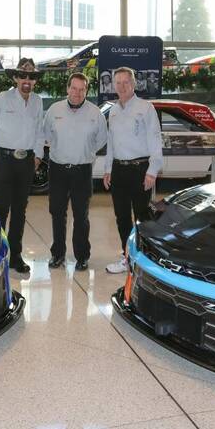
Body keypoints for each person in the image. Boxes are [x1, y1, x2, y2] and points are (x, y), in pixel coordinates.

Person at [0, 58, 45, 274]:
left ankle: (15, 256)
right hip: (5, 161)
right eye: (23, 76)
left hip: (26, 162)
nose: (27, 80)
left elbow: (39, 131)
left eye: (31, 77)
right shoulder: (2, 99)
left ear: (35, 81)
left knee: (20, 211)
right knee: (0, 210)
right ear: (16, 78)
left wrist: (38, 156)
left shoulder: (37, 102)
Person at [43, 72, 107, 272]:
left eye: (82, 89)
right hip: (58, 169)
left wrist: (85, 152)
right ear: (67, 88)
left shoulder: (95, 113)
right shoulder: (54, 110)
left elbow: (101, 139)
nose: (77, 93)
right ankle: (58, 254)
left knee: (81, 216)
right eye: (74, 88)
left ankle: (82, 256)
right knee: (57, 213)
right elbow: (47, 135)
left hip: (82, 171)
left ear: (86, 90)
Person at [103, 67, 163, 274]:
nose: (121, 86)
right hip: (118, 170)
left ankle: (144, 258)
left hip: (141, 170)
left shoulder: (146, 108)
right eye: (117, 83)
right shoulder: (113, 111)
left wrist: (152, 171)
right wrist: (107, 169)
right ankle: (127, 256)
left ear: (134, 83)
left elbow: (155, 140)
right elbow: (111, 142)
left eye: (125, 82)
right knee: (121, 217)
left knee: (142, 217)